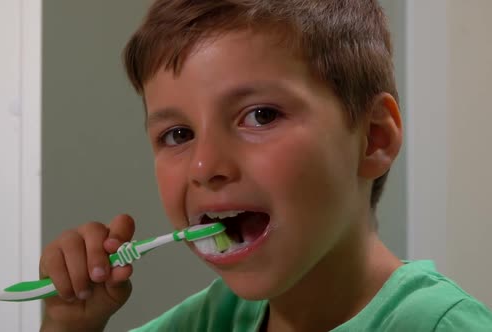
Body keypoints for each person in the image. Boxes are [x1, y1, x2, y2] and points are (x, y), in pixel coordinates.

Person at [39, 1, 492, 331]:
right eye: (178, 134)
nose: (203, 165)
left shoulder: (436, 325)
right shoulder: (211, 320)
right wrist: (69, 326)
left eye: (260, 115)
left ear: (374, 138)